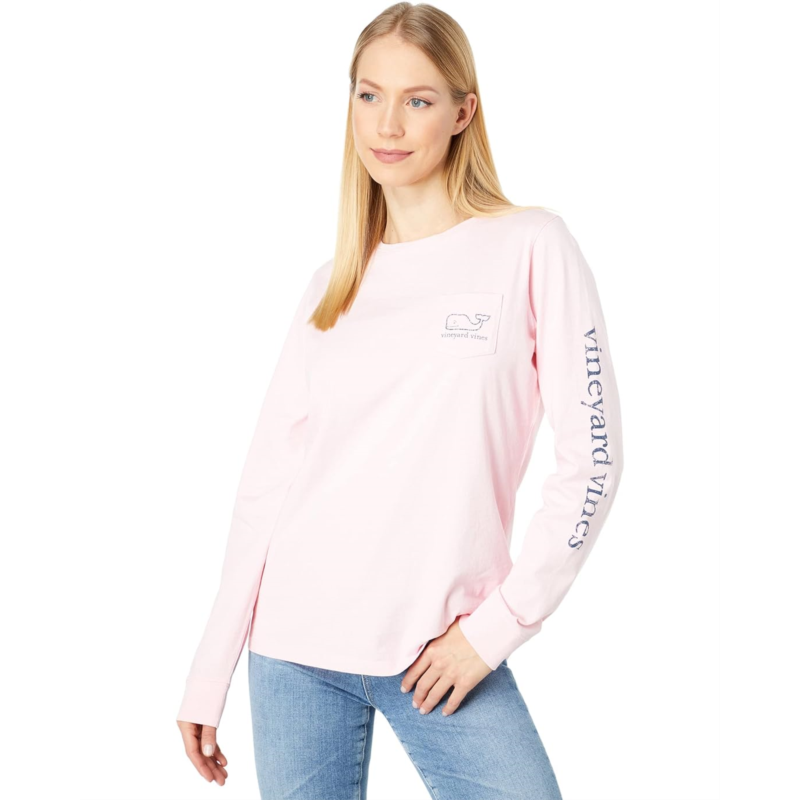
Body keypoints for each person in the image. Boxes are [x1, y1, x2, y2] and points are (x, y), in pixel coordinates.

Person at [176, 3, 624, 798]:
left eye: (418, 100)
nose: (388, 124)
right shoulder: (333, 284)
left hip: (440, 650)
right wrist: (210, 670)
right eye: (369, 95)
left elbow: (593, 462)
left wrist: (496, 630)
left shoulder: (532, 246)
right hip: (293, 651)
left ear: (463, 112)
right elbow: (266, 486)